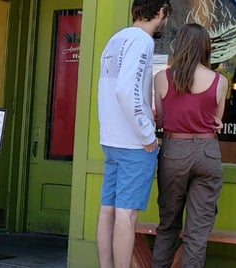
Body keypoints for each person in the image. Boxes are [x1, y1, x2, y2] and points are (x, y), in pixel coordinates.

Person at [96, 1, 171, 267]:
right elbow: (127, 91)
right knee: (126, 216)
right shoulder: (142, 41)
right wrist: (147, 134)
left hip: (111, 139)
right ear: (161, 11)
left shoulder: (116, 39)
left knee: (108, 211)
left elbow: (111, 89)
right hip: (133, 143)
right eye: (166, 16)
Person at [152, 23, 227, 268]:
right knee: (197, 232)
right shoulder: (220, 81)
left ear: (179, 45)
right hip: (207, 151)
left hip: (174, 150)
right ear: (206, 47)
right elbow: (216, 122)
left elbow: (161, 120)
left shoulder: (162, 78)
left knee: (168, 225)